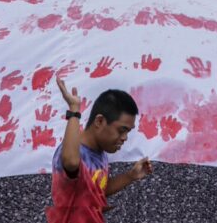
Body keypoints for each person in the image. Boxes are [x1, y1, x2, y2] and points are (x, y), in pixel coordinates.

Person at [47, 76, 152, 223]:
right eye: (121, 130)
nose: (125, 138)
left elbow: (96, 190)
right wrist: (74, 111)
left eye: (128, 132)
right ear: (100, 121)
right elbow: (71, 162)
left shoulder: (100, 153)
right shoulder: (72, 151)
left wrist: (130, 176)